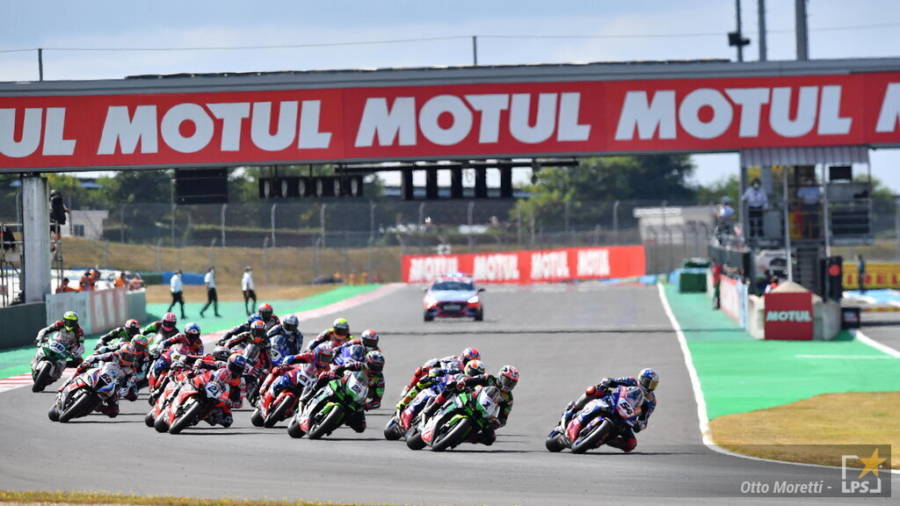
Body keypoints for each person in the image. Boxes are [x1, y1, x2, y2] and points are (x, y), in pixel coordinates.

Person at [562, 368, 658, 453]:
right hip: (613, 402)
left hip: (626, 418)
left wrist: (640, 425)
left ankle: (603, 437)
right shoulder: (631, 381)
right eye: (648, 382)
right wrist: (606, 383)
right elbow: (612, 380)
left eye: (653, 385)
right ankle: (573, 409)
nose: (649, 387)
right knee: (593, 390)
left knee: (631, 444)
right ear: (641, 379)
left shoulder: (651, 401)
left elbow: (644, 419)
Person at [421, 363, 519, 446]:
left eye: (512, 383)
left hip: (484, 414)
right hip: (471, 398)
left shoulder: (508, 399)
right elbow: (472, 379)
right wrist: (463, 383)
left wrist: (496, 422)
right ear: (500, 376)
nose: (508, 385)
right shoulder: (489, 378)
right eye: (507, 381)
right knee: (451, 387)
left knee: (490, 439)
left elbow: (503, 418)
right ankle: (431, 409)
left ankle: (462, 437)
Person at [75, 336, 150, 415]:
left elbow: (141, 375)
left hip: (123, 376)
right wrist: (97, 353)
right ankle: (76, 377)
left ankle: (96, 406)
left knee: (129, 398)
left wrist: (130, 380)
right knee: (85, 365)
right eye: (136, 345)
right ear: (132, 342)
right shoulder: (121, 346)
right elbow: (106, 349)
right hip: (108, 365)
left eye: (141, 347)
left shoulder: (145, 358)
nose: (137, 348)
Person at [401, 347, 481, 395]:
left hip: (453, 388)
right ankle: (410, 387)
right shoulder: (454, 359)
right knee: (421, 370)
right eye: (468, 361)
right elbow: (438, 361)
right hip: (441, 379)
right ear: (462, 358)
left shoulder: (473, 371)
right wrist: (430, 367)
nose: (469, 364)